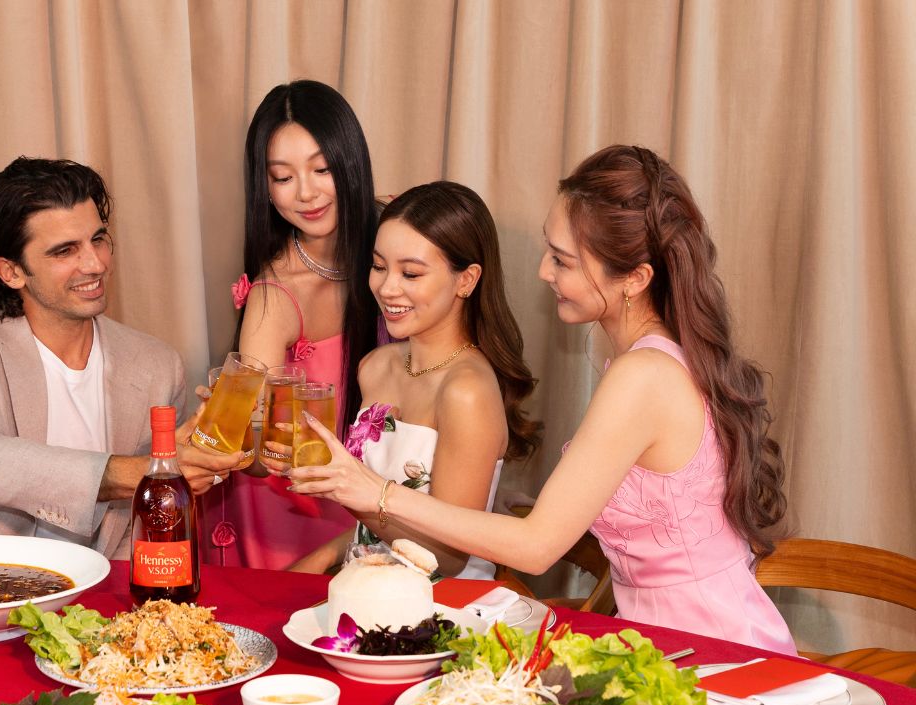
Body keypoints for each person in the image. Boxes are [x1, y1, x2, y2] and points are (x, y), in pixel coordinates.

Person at [291, 145, 797, 654]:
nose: (543, 272)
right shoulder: (653, 360)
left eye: (562, 260)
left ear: (635, 279)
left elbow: (536, 548)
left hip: (711, 648)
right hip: (662, 641)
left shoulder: (642, 375)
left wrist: (375, 493)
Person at [0, 157, 242, 557]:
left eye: (97, 239)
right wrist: (141, 472)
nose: (95, 264)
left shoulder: (157, 364)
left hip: (102, 585)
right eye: (65, 251)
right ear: (11, 271)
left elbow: (141, 527)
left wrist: (190, 460)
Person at [288, 182, 541, 578]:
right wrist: (321, 556)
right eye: (378, 266)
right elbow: (376, 524)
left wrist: (352, 492)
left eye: (410, 273)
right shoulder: (376, 366)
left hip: (442, 602)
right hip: (366, 584)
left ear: (466, 280)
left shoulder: (467, 391)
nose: (387, 288)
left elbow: (448, 558)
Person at [202, 80, 379, 570]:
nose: (306, 192)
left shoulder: (393, 247)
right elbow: (252, 446)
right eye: (282, 176)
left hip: (381, 498)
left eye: (322, 169)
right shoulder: (274, 294)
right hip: (291, 516)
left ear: (351, 163)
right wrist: (239, 433)